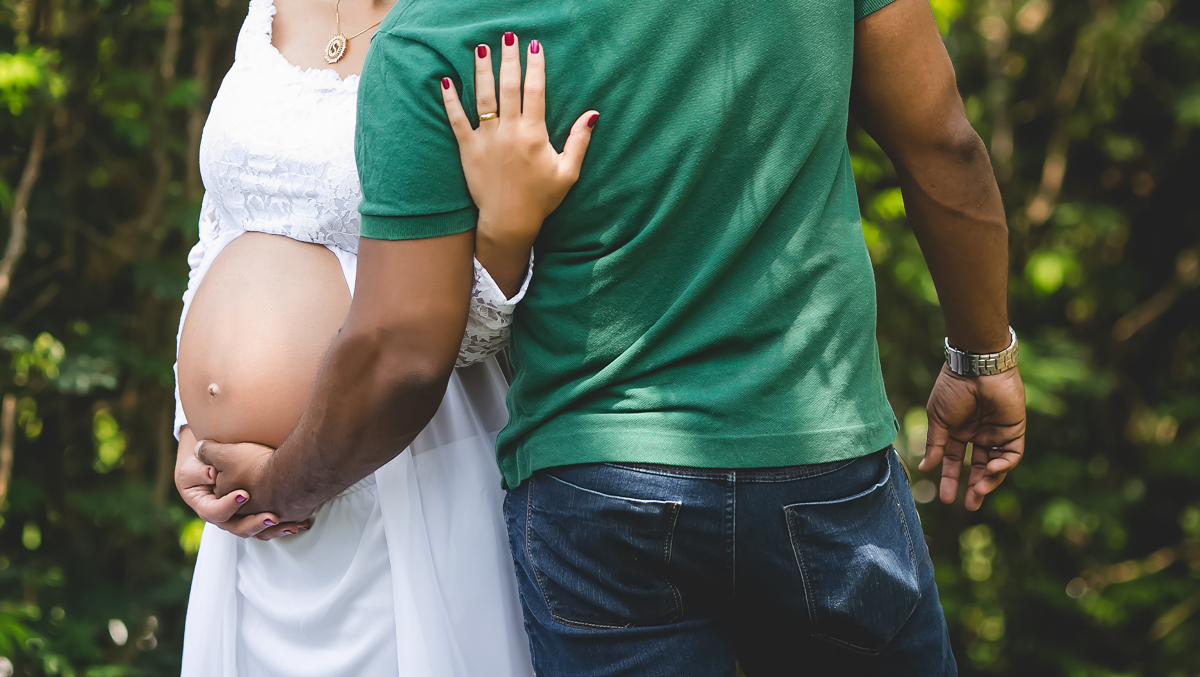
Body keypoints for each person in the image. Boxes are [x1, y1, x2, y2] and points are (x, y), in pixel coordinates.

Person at [196, 0, 1028, 674]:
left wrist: (279, 485)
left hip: (597, 485)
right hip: (819, 461)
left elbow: (403, 354)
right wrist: (981, 356)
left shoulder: (441, 31)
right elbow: (943, 143)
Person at [170, 0, 596, 672]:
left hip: (400, 470)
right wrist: (191, 426)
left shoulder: (465, 21)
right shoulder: (269, 8)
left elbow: (457, 338)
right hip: (245, 511)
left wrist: (509, 233)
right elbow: (220, 228)